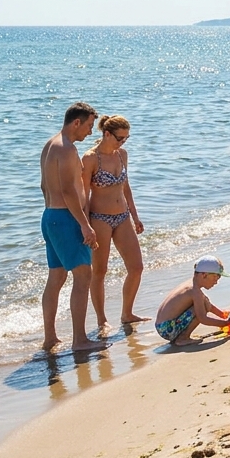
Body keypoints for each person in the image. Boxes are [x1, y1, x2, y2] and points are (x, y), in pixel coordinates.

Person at [39, 102, 106, 352]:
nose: (90, 132)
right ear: (76, 122)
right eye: (89, 126)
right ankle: (80, 340)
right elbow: (68, 191)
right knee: (83, 275)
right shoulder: (66, 149)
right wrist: (85, 225)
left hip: (50, 216)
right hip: (66, 218)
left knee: (56, 277)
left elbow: (44, 186)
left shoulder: (50, 145)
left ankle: (50, 338)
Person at [81, 114, 146, 329]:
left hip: (122, 216)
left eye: (126, 139)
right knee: (100, 271)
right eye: (119, 138)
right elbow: (84, 195)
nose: (122, 142)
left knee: (136, 267)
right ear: (107, 134)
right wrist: (86, 225)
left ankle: (127, 313)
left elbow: (126, 188)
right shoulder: (90, 158)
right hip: (100, 219)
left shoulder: (122, 155)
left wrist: (135, 216)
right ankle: (101, 321)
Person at [154, 256, 230, 347]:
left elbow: (208, 304)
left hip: (162, 326)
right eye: (215, 278)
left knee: (204, 302)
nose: (216, 282)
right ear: (204, 275)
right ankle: (182, 338)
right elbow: (203, 319)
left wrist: (223, 315)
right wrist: (226, 323)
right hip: (167, 329)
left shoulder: (190, 285)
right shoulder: (195, 291)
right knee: (201, 308)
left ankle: (180, 336)